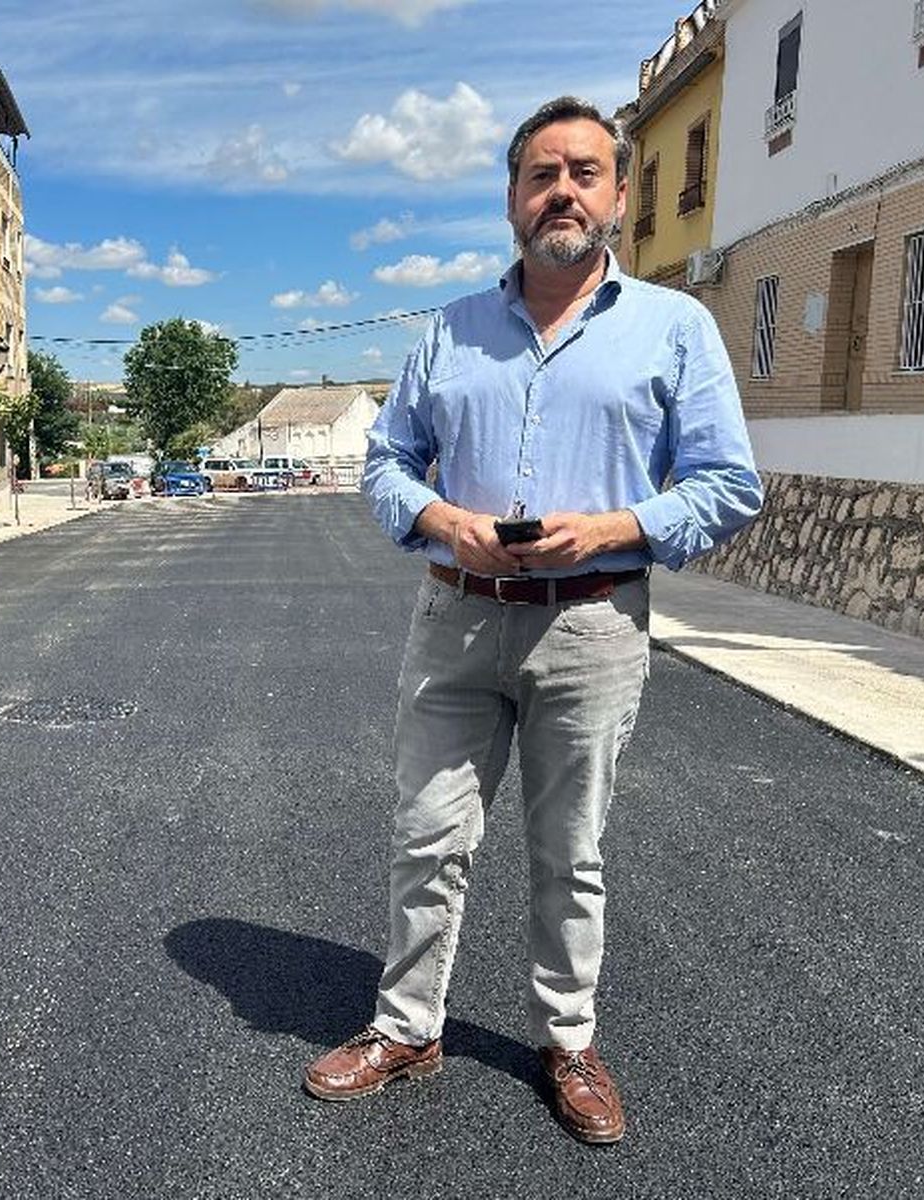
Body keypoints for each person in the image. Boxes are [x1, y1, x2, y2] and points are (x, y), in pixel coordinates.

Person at [302, 97, 763, 1144]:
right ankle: (406, 1027)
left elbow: (729, 484)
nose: (563, 190)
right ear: (512, 197)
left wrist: (611, 524)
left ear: (615, 195)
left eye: (585, 172)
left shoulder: (673, 328)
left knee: (570, 850)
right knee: (427, 838)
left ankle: (567, 1040)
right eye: (541, 172)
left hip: (592, 625)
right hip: (457, 617)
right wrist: (437, 517)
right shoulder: (449, 330)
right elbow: (384, 461)